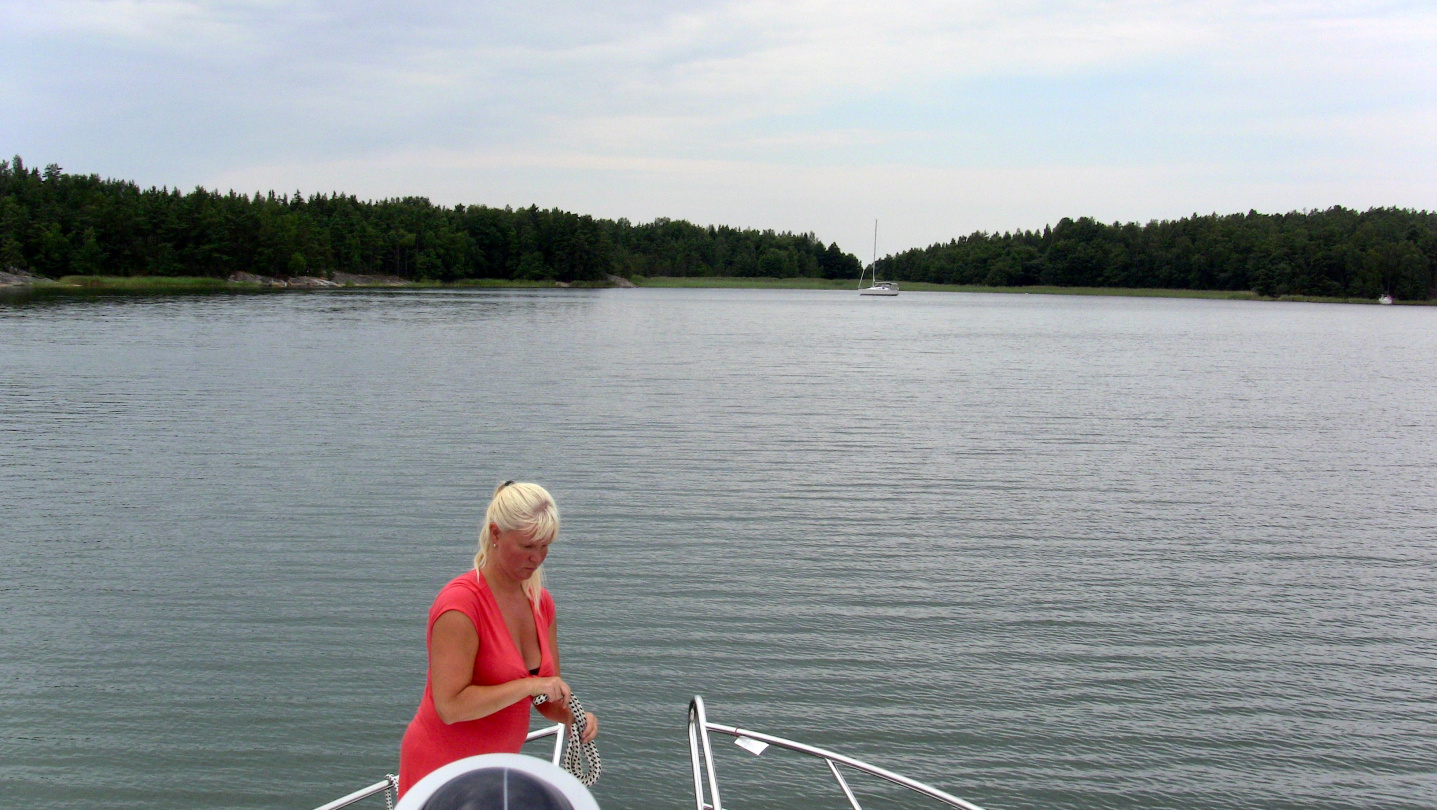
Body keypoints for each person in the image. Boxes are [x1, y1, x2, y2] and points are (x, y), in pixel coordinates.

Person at [397, 481, 598, 796]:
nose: (537, 558)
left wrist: (572, 716)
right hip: (441, 770)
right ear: (495, 535)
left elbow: (545, 696)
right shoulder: (460, 605)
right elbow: (450, 707)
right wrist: (530, 686)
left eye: (545, 546)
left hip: (496, 770)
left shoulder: (541, 603)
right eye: (527, 546)